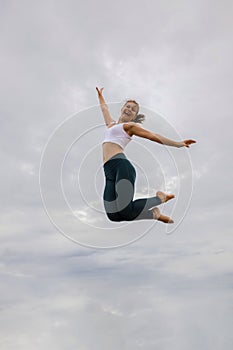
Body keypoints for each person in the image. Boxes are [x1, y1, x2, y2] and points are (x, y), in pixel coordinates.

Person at [96, 86, 196, 223]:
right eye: (128, 106)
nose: (129, 110)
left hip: (121, 166)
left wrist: (178, 144)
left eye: (133, 110)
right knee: (113, 216)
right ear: (122, 108)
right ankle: (154, 214)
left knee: (125, 210)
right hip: (108, 169)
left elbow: (153, 136)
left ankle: (160, 199)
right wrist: (100, 95)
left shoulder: (130, 127)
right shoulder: (111, 125)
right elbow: (104, 109)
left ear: (134, 116)